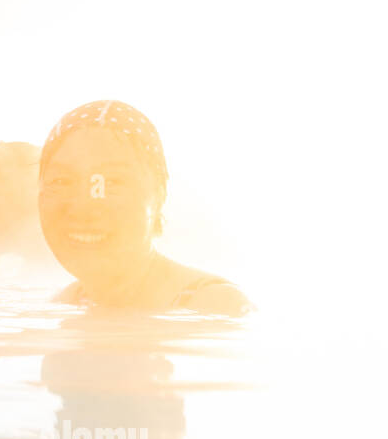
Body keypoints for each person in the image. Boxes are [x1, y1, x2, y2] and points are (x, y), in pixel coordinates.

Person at [37, 100, 250, 315]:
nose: (83, 207)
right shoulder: (65, 303)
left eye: (112, 181)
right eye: (61, 181)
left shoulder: (216, 306)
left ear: (158, 195)